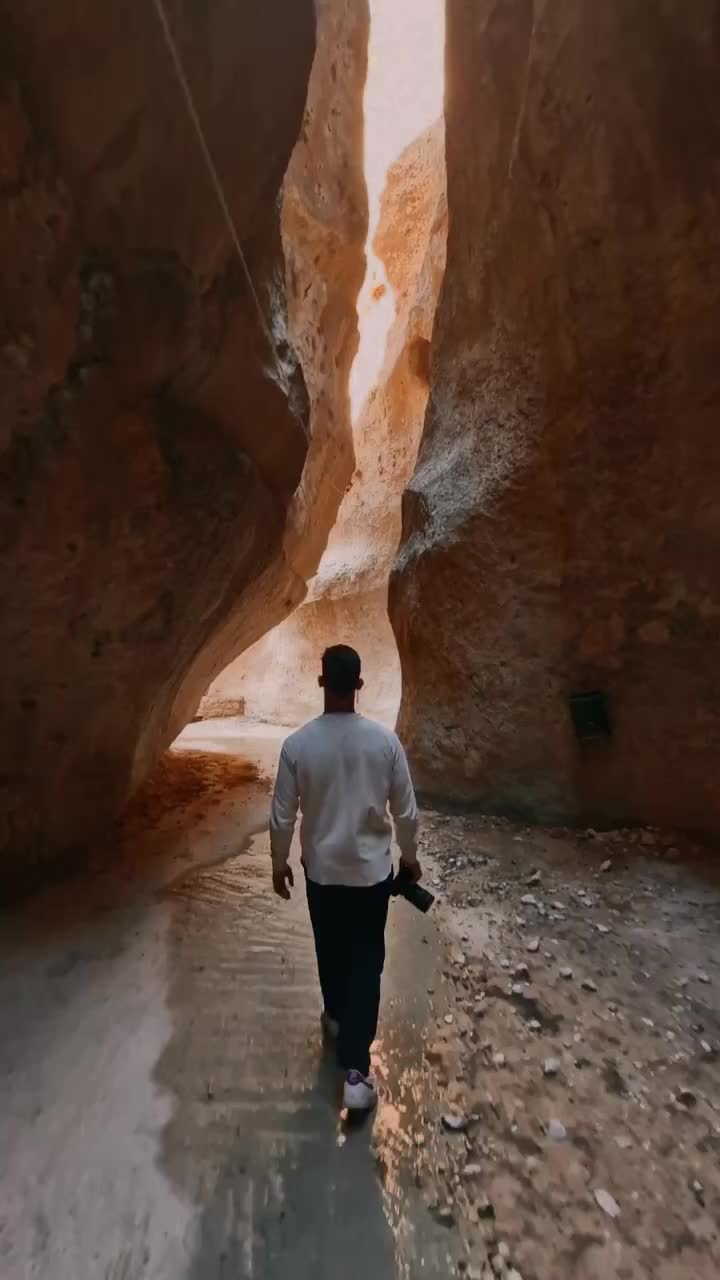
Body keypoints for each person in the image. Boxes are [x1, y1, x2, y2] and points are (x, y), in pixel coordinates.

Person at [269, 644, 421, 1112]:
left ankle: (336, 1017)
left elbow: (281, 818)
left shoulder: (297, 745)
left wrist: (279, 864)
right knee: (366, 963)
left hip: (321, 873)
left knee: (329, 949)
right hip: (371, 877)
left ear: (321, 683)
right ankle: (357, 1072)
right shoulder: (384, 743)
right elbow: (407, 812)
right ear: (359, 685)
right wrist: (409, 858)